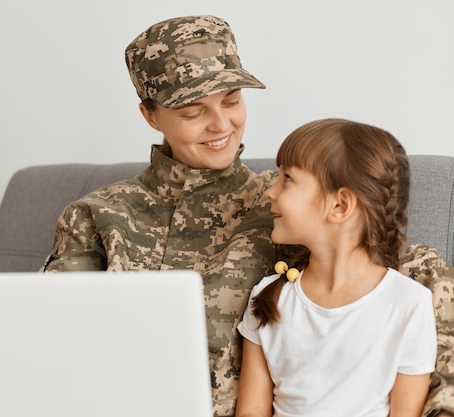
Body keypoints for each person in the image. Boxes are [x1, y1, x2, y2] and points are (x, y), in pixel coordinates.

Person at [40, 15, 454, 417]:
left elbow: (388, 263)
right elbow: (51, 345)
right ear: (151, 115)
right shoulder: (96, 216)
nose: (221, 124)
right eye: (192, 112)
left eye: (233, 100)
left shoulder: (283, 204)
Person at [235, 118, 436, 417]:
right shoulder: (268, 297)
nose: (270, 191)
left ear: (340, 205)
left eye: (287, 178)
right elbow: (251, 410)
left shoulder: (408, 304)